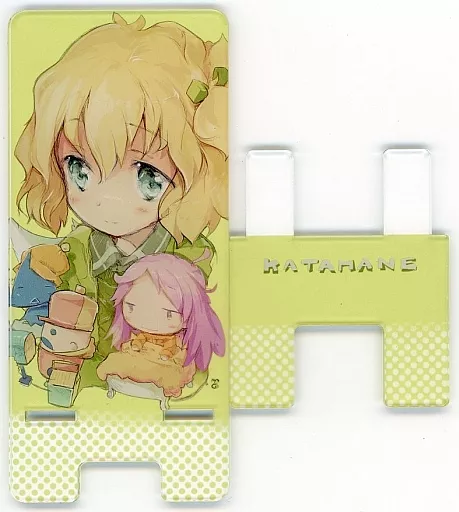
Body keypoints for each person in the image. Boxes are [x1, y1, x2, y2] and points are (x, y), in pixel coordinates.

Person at [14, 13, 228, 388]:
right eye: (79, 168)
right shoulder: (77, 248)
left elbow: (193, 342)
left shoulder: (189, 256)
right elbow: (34, 296)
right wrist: (38, 269)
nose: (105, 201)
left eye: (147, 176)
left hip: (153, 387)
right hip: (77, 386)